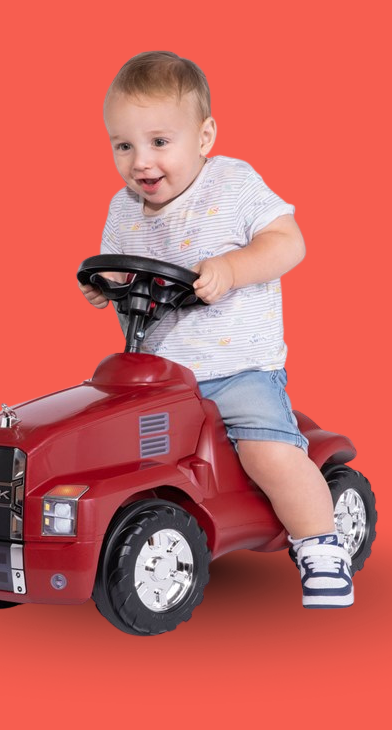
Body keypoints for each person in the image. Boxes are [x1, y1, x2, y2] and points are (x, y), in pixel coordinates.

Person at [79, 51, 353, 608]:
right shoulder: (124, 208)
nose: (140, 161)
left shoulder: (232, 183)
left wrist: (232, 268)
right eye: (123, 145)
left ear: (204, 137)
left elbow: (288, 242)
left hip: (237, 370)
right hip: (158, 375)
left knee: (267, 453)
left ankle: (321, 545)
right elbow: (121, 268)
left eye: (159, 142)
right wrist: (104, 285)